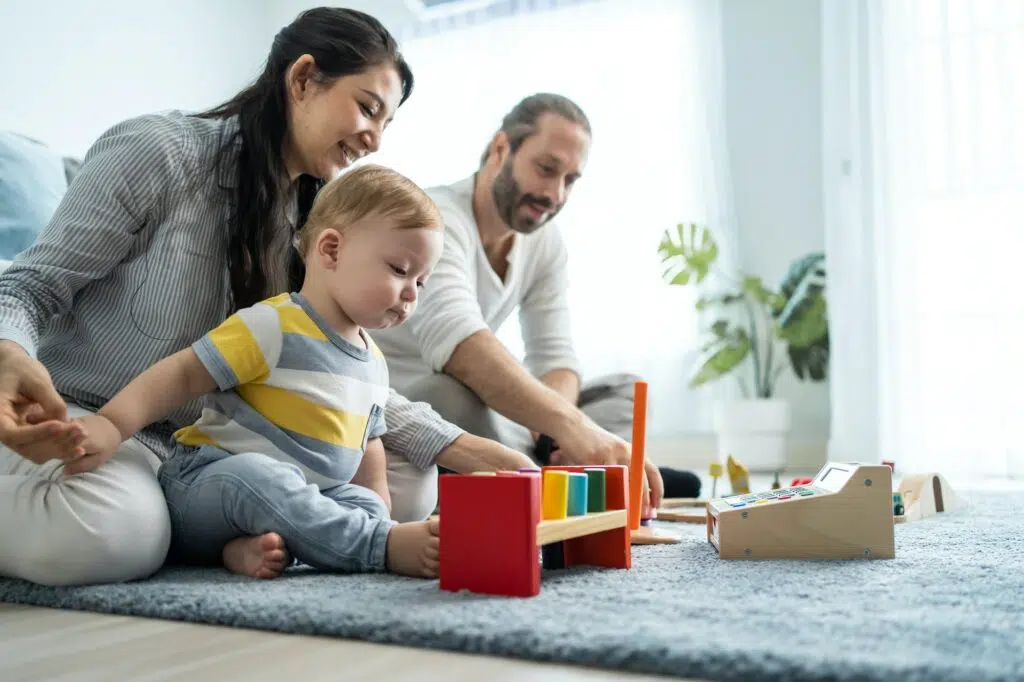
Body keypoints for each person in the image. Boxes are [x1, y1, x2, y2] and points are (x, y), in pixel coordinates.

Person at [0, 7, 532, 587]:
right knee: (115, 536)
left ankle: (228, 531)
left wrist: (476, 453)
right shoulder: (159, 152)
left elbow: (345, 380)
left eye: (386, 124)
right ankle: (196, 528)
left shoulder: (312, 222)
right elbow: (31, 285)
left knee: (408, 483)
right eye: (367, 107)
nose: (375, 140)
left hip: (205, 447)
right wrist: (9, 354)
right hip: (97, 419)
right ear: (303, 78)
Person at [44, 165, 447, 579]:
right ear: (331, 250)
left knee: (364, 504)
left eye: (422, 281)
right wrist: (111, 425)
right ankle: (372, 547)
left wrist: (378, 514)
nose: (412, 294)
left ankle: (248, 550)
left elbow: (370, 447)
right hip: (209, 485)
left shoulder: (374, 363)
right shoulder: (274, 324)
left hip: (299, 495)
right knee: (263, 478)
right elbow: (182, 373)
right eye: (400, 270)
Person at [372, 94, 703, 510]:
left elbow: (556, 357)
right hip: (425, 409)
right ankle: (579, 482)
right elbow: (460, 346)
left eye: (570, 180)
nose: (554, 193)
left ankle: (550, 475)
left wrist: (557, 432)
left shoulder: (544, 243)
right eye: (547, 170)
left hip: (502, 426)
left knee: (626, 395)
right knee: (451, 393)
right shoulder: (435, 218)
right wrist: (573, 428)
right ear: (500, 149)